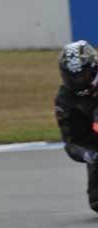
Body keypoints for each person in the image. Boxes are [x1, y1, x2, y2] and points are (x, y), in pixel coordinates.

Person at [55, 40, 98, 213]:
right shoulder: (64, 100)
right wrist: (91, 156)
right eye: (73, 76)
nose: (78, 80)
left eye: (83, 75)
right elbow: (71, 142)